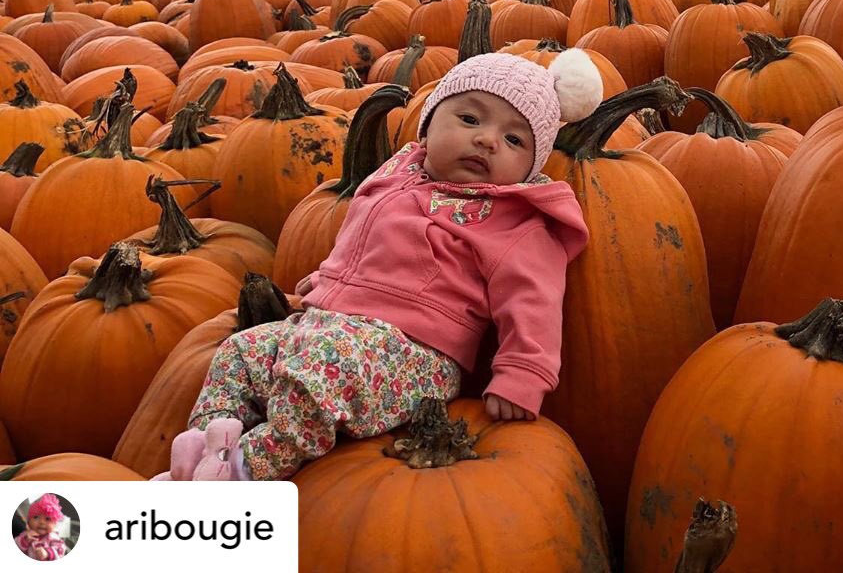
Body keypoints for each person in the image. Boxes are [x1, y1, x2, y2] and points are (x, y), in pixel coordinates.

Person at [150, 49, 603, 482]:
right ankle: (206, 445)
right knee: (239, 352)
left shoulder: (512, 217)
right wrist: (329, 281)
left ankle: (250, 466)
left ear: (530, 165)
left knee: (320, 373)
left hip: (413, 353)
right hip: (336, 324)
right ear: (428, 126)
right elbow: (362, 232)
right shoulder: (402, 170)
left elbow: (534, 296)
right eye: (469, 118)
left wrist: (524, 372)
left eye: (514, 139)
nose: (487, 139)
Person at [15, 493, 67, 561]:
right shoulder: (26, 534)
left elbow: (61, 549)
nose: (41, 522)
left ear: (54, 524)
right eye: (36, 517)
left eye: (48, 519)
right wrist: (25, 540)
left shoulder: (53, 537)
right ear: (28, 522)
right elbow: (17, 544)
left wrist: (47, 553)